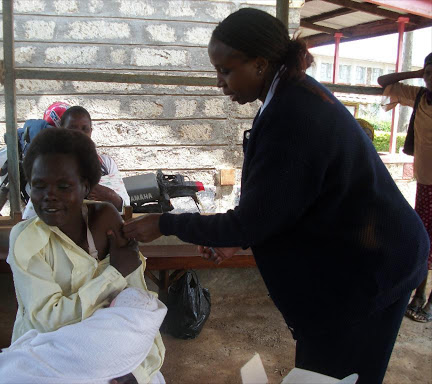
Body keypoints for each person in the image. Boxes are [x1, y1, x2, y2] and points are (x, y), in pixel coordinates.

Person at [123, 8, 429, 384]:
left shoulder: (293, 116)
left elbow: (252, 220)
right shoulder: (289, 97)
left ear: (260, 63)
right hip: (361, 256)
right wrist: (239, 237)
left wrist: (165, 223)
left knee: (335, 375)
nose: (219, 83)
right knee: (328, 369)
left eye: (226, 70)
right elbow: (279, 204)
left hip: (370, 268)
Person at [8, 128, 165, 383]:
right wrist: (113, 274)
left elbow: (139, 307)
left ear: (86, 187)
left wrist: (136, 369)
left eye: (63, 185)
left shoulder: (106, 220)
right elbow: (48, 322)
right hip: (49, 355)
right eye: (39, 185)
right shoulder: (27, 241)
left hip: (112, 347)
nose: (49, 195)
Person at [0, 288, 167, 384]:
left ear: (112, 307)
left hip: (19, 373)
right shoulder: (143, 337)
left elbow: (68, 340)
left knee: (14, 371)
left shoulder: (102, 328)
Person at [378, 53, 432, 323]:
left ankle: (429, 302)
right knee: (424, 237)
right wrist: (418, 73)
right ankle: (419, 295)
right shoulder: (420, 95)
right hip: (426, 180)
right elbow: (383, 81)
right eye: (430, 74)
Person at [22, 103, 130, 219]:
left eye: (85, 129)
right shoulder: (49, 164)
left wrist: (109, 195)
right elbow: (33, 214)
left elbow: (125, 206)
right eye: (72, 128)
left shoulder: (106, 164)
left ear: (91, 131)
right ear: (61, 130)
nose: (80, 134)